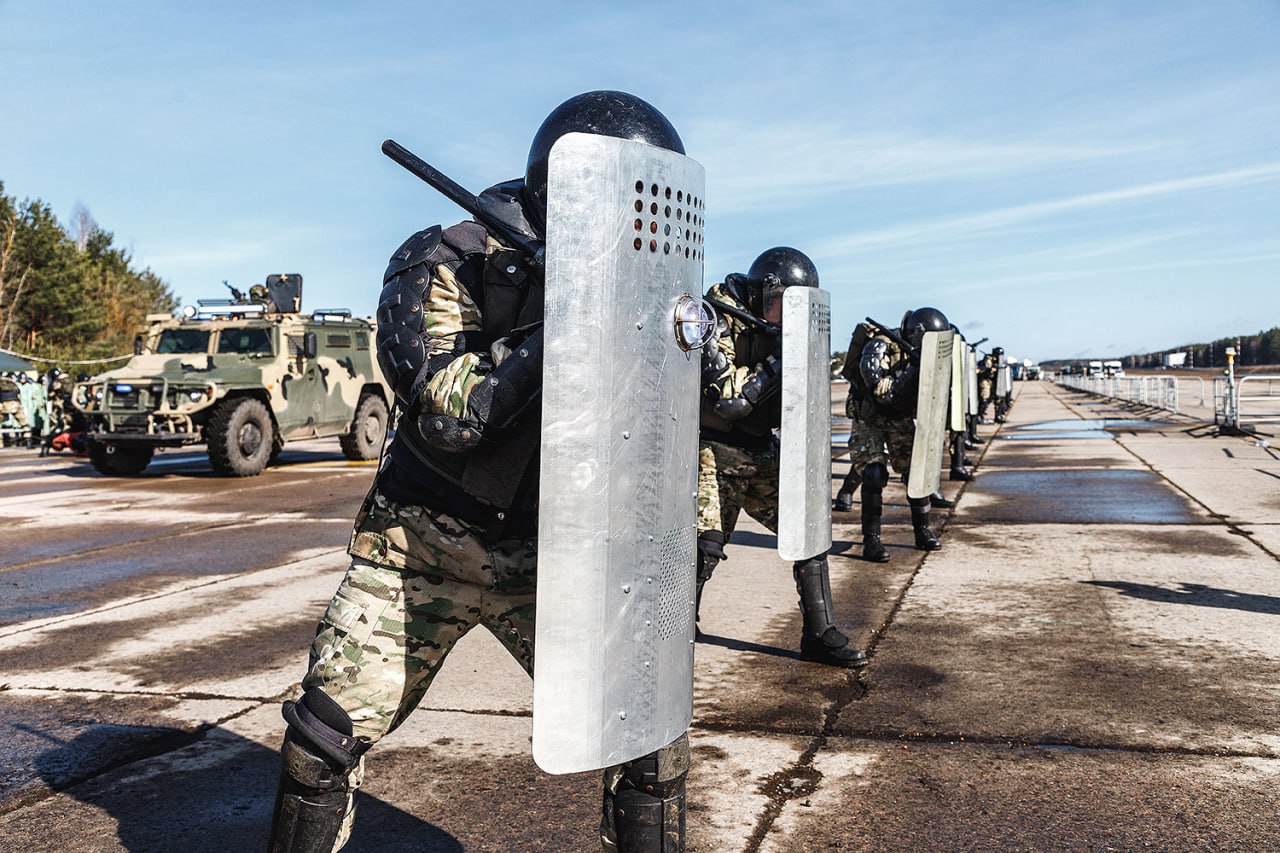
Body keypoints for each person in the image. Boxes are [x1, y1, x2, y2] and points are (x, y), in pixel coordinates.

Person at [268, 91, 692, 853]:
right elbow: (453, 412)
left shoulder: (647, 282)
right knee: (320, 740)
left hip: (558, 560)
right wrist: (563, 314)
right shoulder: (448, 259)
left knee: (651, 743)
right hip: (423, 547)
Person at [695, 248, 867, 669]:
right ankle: (675, 625)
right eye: (779, 305)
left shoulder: (788, 330)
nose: (782, 316)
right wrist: (778, 362)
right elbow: (729, 400)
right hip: (713, 449)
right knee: (704, 545)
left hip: (763, 448)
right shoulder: (715, 316)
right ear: (762, 293)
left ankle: (820, 633)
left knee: (808, 530)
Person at [841, 308, 951, 562]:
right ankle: (872, 541)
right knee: (873, 472)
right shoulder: (879, 346)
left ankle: (922, 530)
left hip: (900, 419)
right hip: (870, 419)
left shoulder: (928, 354)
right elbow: (882, 391)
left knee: (917, 472)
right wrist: (914, 366)